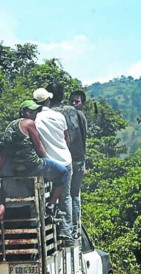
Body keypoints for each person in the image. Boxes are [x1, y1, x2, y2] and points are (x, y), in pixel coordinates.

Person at [0, 100, 69, 214]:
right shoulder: (29, 123)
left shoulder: (10, 126)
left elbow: (4, 150)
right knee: (63, 173)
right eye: (32, 111)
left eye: (36, 111)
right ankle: (51, 205)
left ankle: (38, 207)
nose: (35, 114)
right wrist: (48, 161)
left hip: (17, 168)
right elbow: (39, 147)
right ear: (23, 112)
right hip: (33, 165)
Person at [33, 86, 74, 244]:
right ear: (48, 100)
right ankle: (66, 232)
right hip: (65, 160)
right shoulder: (59, 116)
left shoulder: (34, 119)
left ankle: (47, 228)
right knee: (66, 197)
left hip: (48, 163)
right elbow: (66, 139)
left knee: (46, 195)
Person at [67, 90, 88, 238]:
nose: (74, 104)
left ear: (83, 103)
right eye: (73, 101)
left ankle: (72, 227)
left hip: (74, 160)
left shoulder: (77, 116)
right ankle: (74, 228)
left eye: (77, 101)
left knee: (70, 194)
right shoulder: (75, 115)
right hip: (77, 160)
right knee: (73, 194)